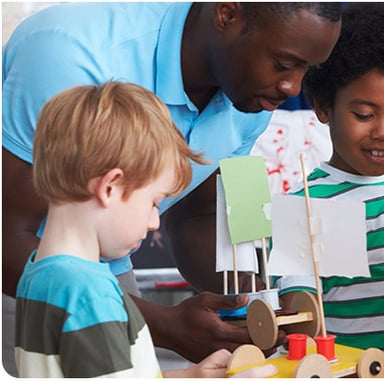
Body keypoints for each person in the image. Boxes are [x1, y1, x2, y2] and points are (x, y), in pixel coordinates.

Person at [2, 2, 342, 373]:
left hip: (95, 274)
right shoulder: (68, 54)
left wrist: (252, 296)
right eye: (282, 64)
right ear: (227, 13)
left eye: (306, 69)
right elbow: (8, 234)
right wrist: (164, 325)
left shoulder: (251, 98)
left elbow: (200, 212)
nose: (292, 87)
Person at [15, 81, 277, 378]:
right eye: (154, 202)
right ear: (110, 188)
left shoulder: (39, 273)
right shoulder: (91, 296)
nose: (155, 222)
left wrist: (193, 376)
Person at [273, 2, 384, 357]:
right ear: (324, 107)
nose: (383, 132)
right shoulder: (304, 204)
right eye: (364, 115)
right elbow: (300, 309)